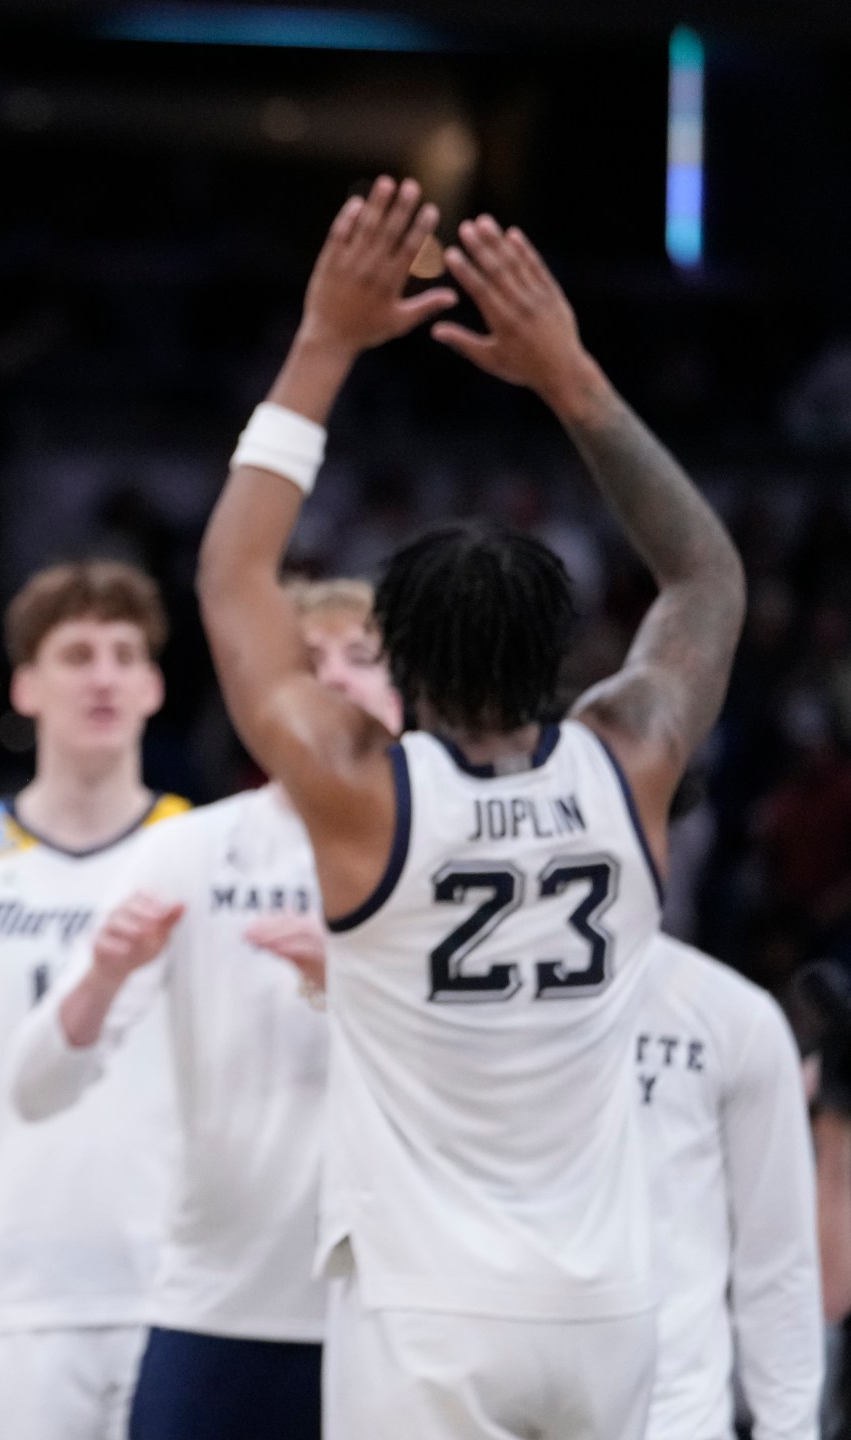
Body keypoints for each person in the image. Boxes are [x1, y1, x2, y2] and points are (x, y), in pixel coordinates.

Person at [195, 177, 746, 1439]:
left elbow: (232, 576)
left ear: (394, 652)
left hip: (428, 1313)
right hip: (609, 1309)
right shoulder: (631, 757)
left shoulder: (359, 793)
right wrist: (574, 381)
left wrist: (325, 342)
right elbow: (705, 572)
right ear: (567, 651)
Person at [6, 579, 399, 1440]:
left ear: (404, 690)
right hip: (218, 1307)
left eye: (360, 659)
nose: (332, 678)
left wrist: (358, 980)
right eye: (307, 661)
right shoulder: (189, 848)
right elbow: (34, 1089)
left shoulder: (450, 851)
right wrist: (104, 975)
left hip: (398, 1313)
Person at [0, 559, 189, 1440]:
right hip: (1, 1286)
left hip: (177, 1280)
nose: (103, 674)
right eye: (76, 654)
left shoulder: (210, 851)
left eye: (123, 653)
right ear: (26, 686)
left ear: (153, 684)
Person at [633, 936, 821, 1440]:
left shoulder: (734, 1016)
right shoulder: (450, 1009)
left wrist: (790, 1431)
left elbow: (779, 1263)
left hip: (674, 1419)